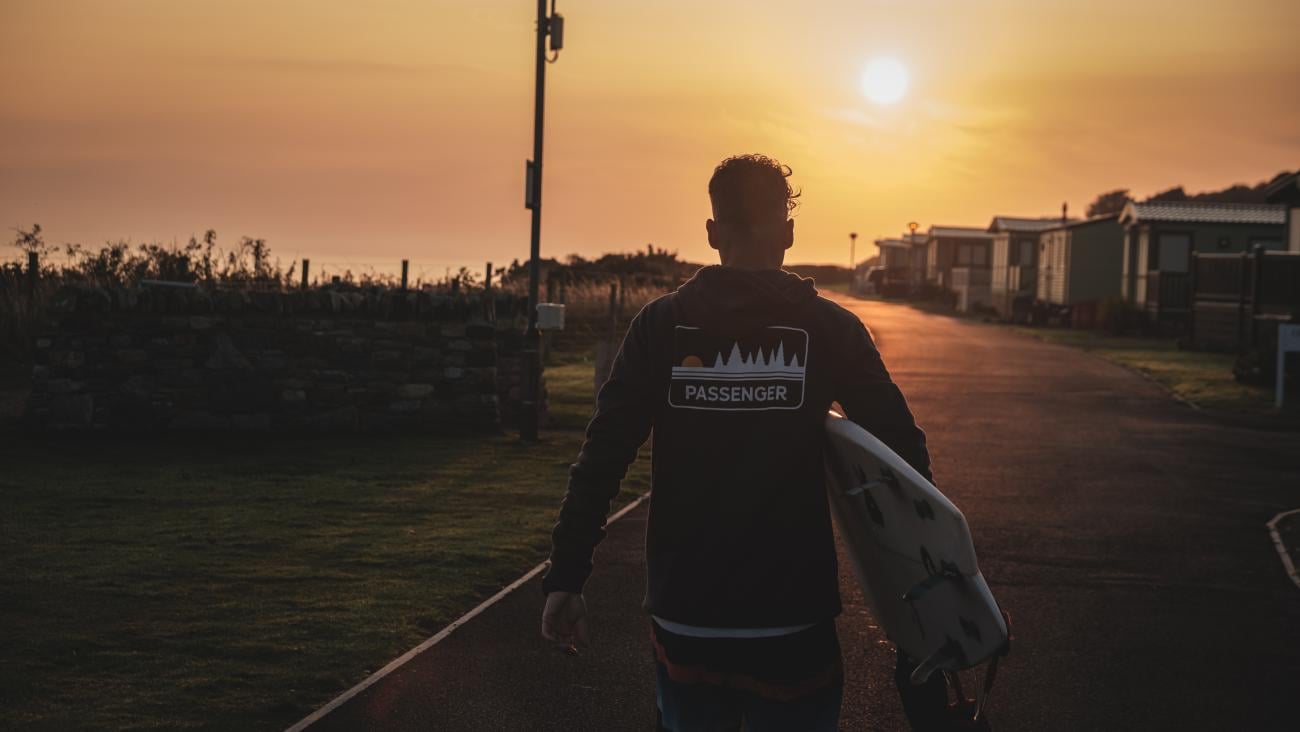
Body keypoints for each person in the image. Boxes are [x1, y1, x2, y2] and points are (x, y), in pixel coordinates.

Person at [540, 154, 945, 730]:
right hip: (793, 618)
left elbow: (602, 457)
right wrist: (930, 594)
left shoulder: (658, 327)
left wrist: (566, 576)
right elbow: (905, 459)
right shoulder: (830, 330)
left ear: (712, 233)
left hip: (687, 616)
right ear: (788, 232)